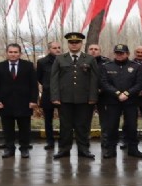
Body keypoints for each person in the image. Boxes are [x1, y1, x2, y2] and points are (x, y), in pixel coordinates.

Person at [50, 32, 99, 160]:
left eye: (77, 42)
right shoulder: (60, 59)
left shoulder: (89, 59)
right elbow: (54, 79)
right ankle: (64, 150)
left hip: (84, 100)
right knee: (65, 126)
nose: (74, 44)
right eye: (71, 42)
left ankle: (84, 150)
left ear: (81, 44)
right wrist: (55, 97)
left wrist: (93, 97)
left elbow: (94, 79)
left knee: (82, 126)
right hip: (65, 99)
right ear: (68, 44)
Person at [0, 43, 39, 158]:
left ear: (20, 53)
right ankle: (9, 148)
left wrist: (33, 100)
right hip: (5, 103)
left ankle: (24, 148)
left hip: (24, 103)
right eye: (11, 52)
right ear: (6, 53)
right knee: (8, 128)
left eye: (15, 52)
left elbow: (34, 85)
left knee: (24, 128)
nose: (13, 54)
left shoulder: (28, 65)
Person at [99, 44, 142, 158]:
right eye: (117, 53)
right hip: (113, 101)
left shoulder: (136, 66)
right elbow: (104, 83)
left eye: (122, 53)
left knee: (131, 126)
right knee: (112, 126)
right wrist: (117, 93)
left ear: (128, 54)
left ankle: (133, 149)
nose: (119, 55)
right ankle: (111, 150)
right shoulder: (107, 66)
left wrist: (127, 93)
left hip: (130, 101)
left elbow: (139, 83)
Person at [36, 41, 62, 150]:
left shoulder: (64, 60)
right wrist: (47, 86)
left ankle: (63, 142)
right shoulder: (42, 62)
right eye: (54, 48)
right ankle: (50, 142)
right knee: (48, 120)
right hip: (48, 94)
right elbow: (39, 77)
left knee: (64, 120)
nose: (57, 50)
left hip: (62, 94)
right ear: (49, 49)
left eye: (59, 48)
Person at [88, 44, 111, 149]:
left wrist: (102, 89)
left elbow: (110, 78)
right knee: (85, 119)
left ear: (100, 51)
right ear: (87, 51)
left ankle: (105, 140)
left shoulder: (107, 62)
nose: (93, 51)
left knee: (105, 119)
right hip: (87, 95)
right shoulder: (82, 61)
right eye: (91, 49)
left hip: (104, 94)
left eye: (96, 49)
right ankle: (85, 140)